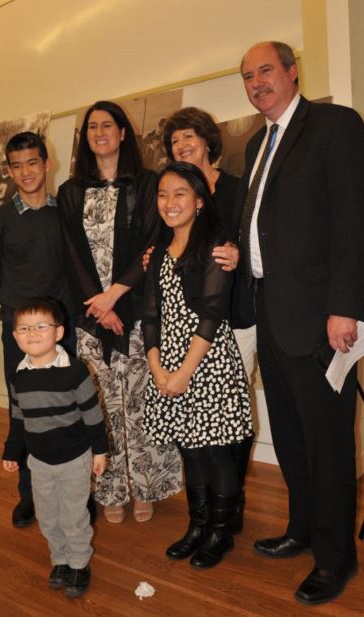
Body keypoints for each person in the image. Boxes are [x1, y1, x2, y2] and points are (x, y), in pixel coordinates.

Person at [236, 41, 364, 604]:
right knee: (291, 435)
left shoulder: (334, 125)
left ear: (293, 73)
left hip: (320, 317)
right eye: (247, 76)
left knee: (326, 440)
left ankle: (336, 558)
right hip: (269, 311)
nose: (256, 82)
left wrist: (344, 305)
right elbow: (262, 226)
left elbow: (354, 219)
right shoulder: (254, 146)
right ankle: (302, 529)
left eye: (266, 71)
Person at [58, 100, 183, 524]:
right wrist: (99, 305)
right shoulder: (70, 192)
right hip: (93, 316)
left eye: (107, 125)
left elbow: (152, 244)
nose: (99, 132)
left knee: (141, 402)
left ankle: (146, 485)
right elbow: (71, 255)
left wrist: (115, 295)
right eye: (91, 127)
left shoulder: (147, 184)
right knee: (102, 405)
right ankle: (111, 488)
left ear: (123, 132)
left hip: (137, 308)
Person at [143, 161, 254, 568]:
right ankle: (198, 525)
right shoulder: (156, 252)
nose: (170, 203)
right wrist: (157, 368)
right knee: (190, 450)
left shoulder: (217, 245)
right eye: (163, 194)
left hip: (205, 362)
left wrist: (183, 373)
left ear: (200, 201)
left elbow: (211, 313)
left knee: (216, 452)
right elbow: (150, 314)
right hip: (168, 361)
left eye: (180, 194)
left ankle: (221, 534)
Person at [162, 107, 256, 533]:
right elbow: (162, 244)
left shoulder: (237, 187)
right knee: (198, 427)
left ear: (207, 140)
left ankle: (231, 502)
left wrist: (240, 253)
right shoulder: (172, 194)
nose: (182, 144)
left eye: (189, 136)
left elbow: (260, 238)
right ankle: (215, 512)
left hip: (237, 315)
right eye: (175, 140)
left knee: (230, 419)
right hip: (192, 327)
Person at [0, 131, 75, 528]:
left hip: (63, 332)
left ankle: (72, 496)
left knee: (66, 411)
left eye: (32, 162)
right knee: (23, 411)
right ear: (9, 170)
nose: (25, 172)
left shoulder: (65, 213)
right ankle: (29, 494)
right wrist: (22, 318)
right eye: (16, 166)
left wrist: (53, 322)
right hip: (18, 335)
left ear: (46, 163)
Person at [2, 297, 107, 598]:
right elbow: (18, 418)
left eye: (40, 326)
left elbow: (93, 414)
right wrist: (12, 451)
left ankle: (78, 563)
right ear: (15, 336)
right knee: (48, 516)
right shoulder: (18, 377)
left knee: (73, 515)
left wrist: (100, 451)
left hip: (75, 459)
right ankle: (60, 560)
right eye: (24, 328)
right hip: (39, 462)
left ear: (59, 333)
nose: (32, 333)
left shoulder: (75, 372)